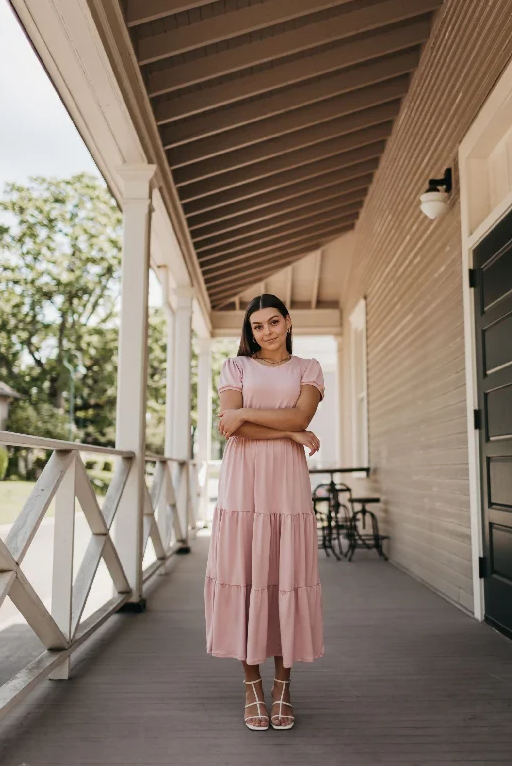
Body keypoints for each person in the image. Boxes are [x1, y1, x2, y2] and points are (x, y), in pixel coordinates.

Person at [204, 293, 325, 731]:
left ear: (288, 322)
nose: (266, 332)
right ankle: (252, 684)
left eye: (274, 322)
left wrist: (259, 419)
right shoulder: (235, 367)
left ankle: (284, 686)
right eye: (257, 326)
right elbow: (229, 421)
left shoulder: (308, 368)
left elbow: (299, 414)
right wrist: (291, 432)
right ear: (250, 332)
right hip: (244, 480)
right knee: (248, 573)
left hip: (286, 484)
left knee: (285, 573)